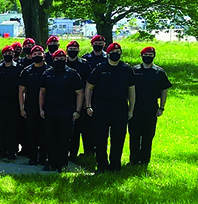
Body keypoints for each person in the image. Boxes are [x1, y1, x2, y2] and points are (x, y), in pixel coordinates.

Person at [85, 42, 136, 174]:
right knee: (100, 137)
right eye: (113, 51)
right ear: (108, 53)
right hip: (101, 106)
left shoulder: (126, 69)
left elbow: (131, 90)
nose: (116, 54)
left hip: (120, 107)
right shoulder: (99, 68)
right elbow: (89, 87)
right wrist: (88, 105)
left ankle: (115, 165)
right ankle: (101, 165)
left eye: (118, 52)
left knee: (118, 137)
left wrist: (131, 109)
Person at [39, 50, 84, 172]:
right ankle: (51, 162)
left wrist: (78, 110)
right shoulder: (47, 73)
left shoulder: (72, 74)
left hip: (67, 110)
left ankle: (63, 163)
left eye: (62, 58)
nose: (59, 60)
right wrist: (41, 108)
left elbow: (80, 93)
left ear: (66, 59)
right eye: (57, 59)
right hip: (50, 109)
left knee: (64, 137)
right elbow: (42, 92)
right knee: (50, 136)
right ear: (53, 60)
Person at [130, 46, 171, 168]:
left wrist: (162, 107)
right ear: (141, 55)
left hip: (151, 107)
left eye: (150, 55)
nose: (148, 57)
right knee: (134, 134)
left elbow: (164, 90)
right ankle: (133, 160)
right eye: (146, 55)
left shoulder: (159, 72)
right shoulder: (134, 70)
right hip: (136, 107)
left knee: (148, 134)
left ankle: (144, 160)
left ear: (154, 56)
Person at [18, 45, 49, 166]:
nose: (37, 56)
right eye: (34, 54)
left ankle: (43, 157)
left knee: (44, 133)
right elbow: (21, 90)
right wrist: (21, 107)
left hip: (46, 107)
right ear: (31, 56)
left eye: (39, 54)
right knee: (31, 132)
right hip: (30, 106)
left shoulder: (48, 70)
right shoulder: (27, 71)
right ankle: (32, 157)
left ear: (43, 55)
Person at [0, 46, 23, 160]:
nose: (8, 54)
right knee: (1, 126)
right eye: (6, 53)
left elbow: (22, 88)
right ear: (3, 55)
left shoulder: (19, 69)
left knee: (13, 127)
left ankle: (12, 150)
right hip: (1, 101)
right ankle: (2, 150)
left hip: (14, 102)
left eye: (10, 52)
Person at [64, 40, 93, 161]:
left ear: (79, 51)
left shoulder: (84, 64)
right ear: (66, 50)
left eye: (75, 49)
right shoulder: (62, 63)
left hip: (80, 100)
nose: (73, 51)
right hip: (65, 100)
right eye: (70, 49)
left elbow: (88, 84)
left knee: (80, 128)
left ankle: (76, 154)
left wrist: (87, 103)